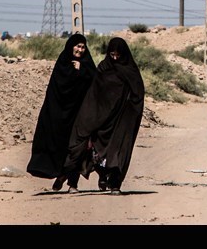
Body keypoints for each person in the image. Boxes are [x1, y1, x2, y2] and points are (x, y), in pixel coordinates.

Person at [62, 37, 145, 194]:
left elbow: (137, 94)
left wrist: (130, 113)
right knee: (83, 148)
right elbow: (93, 92)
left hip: (119, 119)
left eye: (118, 55)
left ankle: (115, 185)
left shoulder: (130, 71)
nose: (114, 58)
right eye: (112, 54)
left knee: (118, 152)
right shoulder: (103, 68)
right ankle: (73, 182)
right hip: (99, 118)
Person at [27, 33, 96, 192]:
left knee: (78, 149)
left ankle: (72, 183)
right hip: (60, 116)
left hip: (79, 116)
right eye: (77, 46)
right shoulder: (63, 63)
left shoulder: (87, 65)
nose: (79, 50)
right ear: (70, 46)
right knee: (60, 147)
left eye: (82, 47)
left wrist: (82, 70)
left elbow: (95, 82)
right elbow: (56, 90)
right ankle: (60, 174)